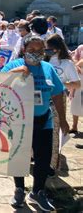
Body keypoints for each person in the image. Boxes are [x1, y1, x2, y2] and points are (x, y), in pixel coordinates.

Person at [2, 36, 69, 212]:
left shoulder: (48, 68)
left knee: (43, 159)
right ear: (24, 50)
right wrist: (16, 71)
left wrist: (63, 120)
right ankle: (19, 190)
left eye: (40, 51)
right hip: (19, 122)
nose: (36, 54)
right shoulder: (13, 65)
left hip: (44, 121)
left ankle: (38, 191)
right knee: (18, 157)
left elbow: (57, 94)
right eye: (32, 51)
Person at [45, 34, 80, 175]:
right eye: (46, 48)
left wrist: (60, 84)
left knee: (54, 131)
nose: (48, 50)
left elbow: (77, 84)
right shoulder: (44, 60)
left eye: (50, 48)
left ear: (58, 48)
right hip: (41, 99)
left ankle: (52, 164)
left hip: (57, 99)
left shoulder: (66, 63)